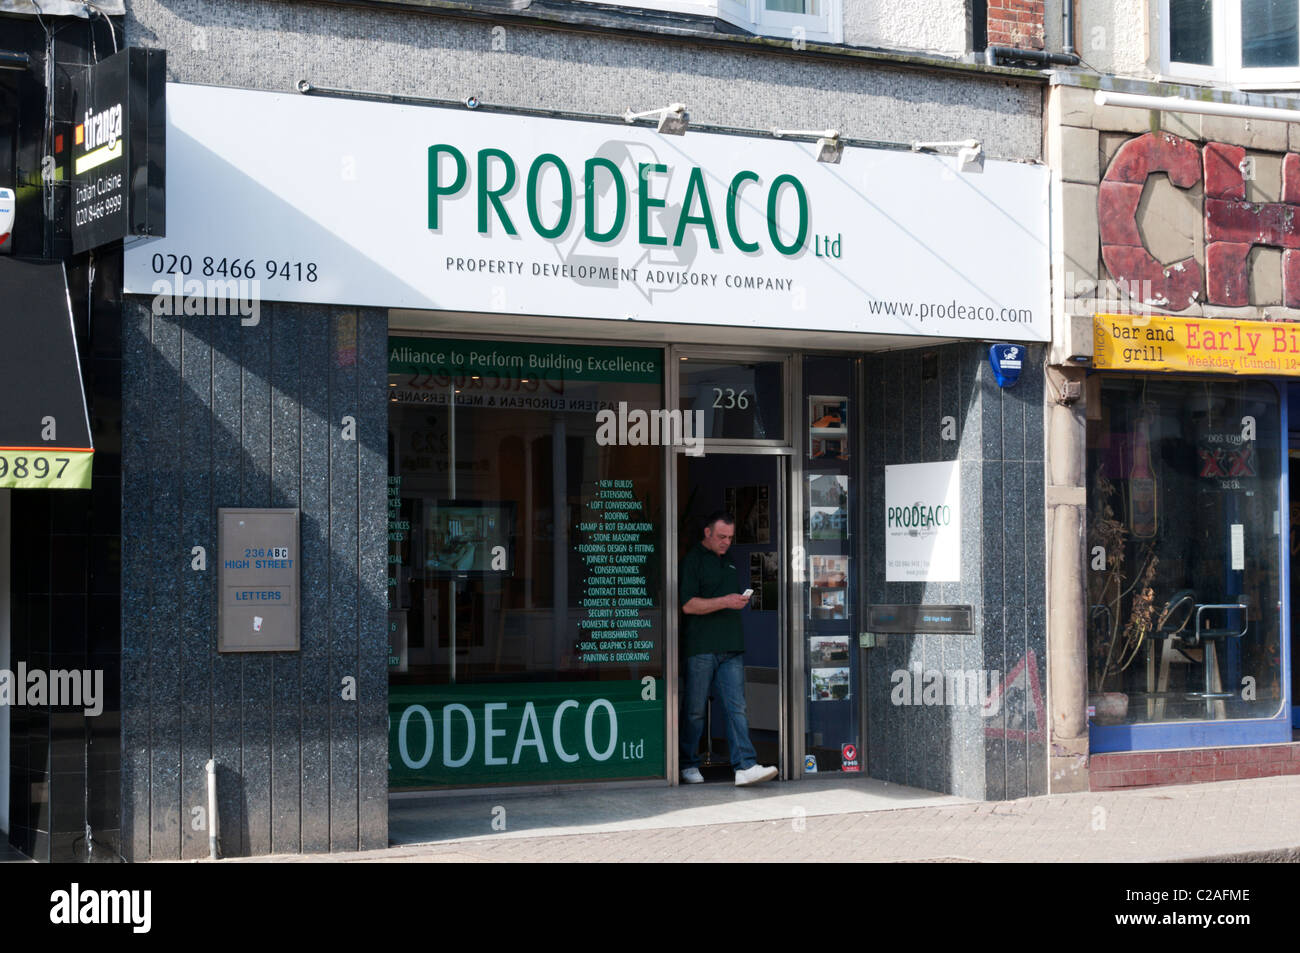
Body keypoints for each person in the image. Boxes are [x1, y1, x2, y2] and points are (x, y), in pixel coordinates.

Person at [678, 511, 778, 787]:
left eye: (730, 538)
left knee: (738, 708)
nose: (726, 542)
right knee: (695, 709)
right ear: (707, 533)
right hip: (701, 646)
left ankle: (745, 765)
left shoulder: (729, 561)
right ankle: (687, 763)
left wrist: (733, 602)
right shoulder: (693, 561)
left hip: (731, 645)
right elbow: (688, 605)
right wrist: (725, 601)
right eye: (721, 537)